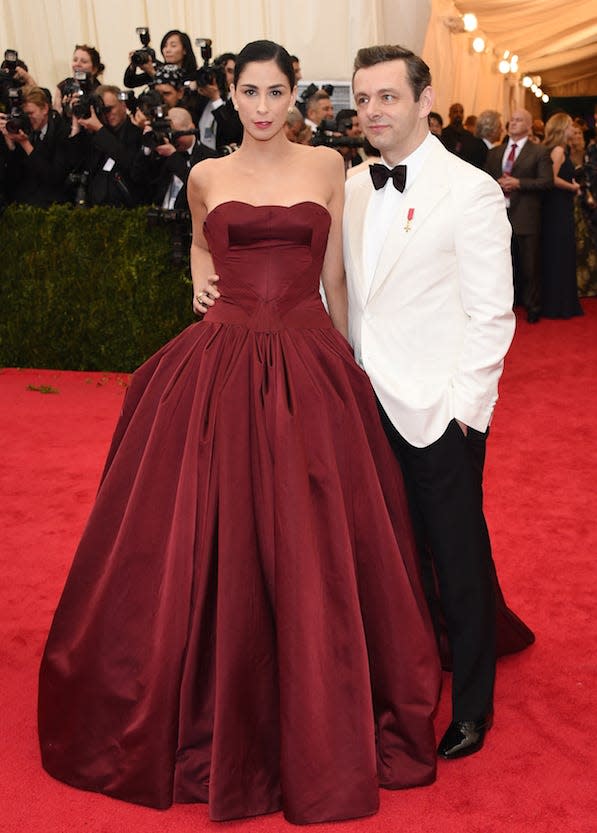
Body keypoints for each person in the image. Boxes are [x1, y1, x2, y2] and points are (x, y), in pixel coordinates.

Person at [38, 39, 441, 825]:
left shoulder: (330, 166)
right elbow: (199, 236)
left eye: (276, 92)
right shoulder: (206, 174)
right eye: (249, 92)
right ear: (232, 91)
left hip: (306, 354)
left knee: (313, 528)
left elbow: (334, 275)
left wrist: (351, 360)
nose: (262, 107)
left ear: (297, 95)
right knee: (197, 525)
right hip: (219, 358)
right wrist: (196, 266)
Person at [343, 44, 535, 762]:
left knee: (455, 555)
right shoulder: (354, 186)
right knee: (386, 552)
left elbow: (492, 312)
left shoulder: (470, 189)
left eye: (387, 97)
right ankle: (396, 674)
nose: (372, 111)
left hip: (437, 408)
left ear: (424, 101)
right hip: (363, 404)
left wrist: (465, 409)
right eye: (363, 99)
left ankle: (473, 707)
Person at [485, 109, 554, 322]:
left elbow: (547, 181)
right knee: (502, 264)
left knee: (529, 265)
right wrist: (494, 183)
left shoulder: (539, 151)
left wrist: (519, 183)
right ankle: (507, 304)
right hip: (499, 215)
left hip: (526, 216)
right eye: (511, 119)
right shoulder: (496, 151)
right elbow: (484, 178)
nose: (512, 123)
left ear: (528, 125)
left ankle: (533, 307)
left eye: (518, 120)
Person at [540, 112, 584, 318]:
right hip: (557, 207)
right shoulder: (558, 150)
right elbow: (552, 178)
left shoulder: (556, 149)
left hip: (558, 206)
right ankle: (559, 304)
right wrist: (573, 187)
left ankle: (559, 302)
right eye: (569, 126)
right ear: (562, 128)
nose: (572, 130)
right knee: (560, 253)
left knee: (560, 253)